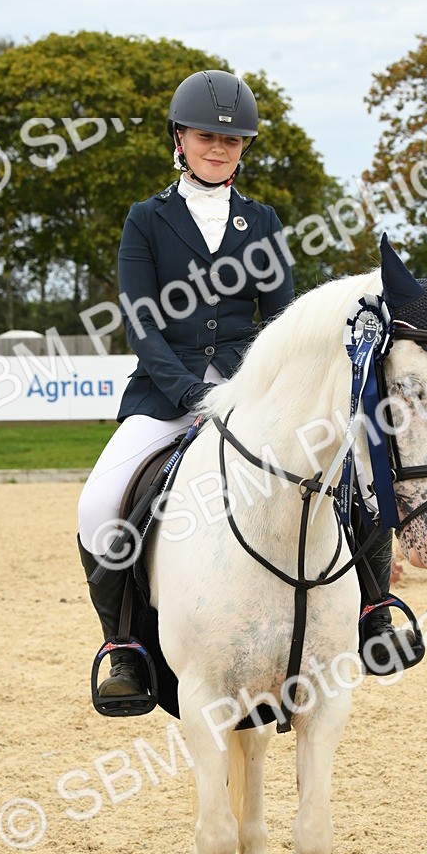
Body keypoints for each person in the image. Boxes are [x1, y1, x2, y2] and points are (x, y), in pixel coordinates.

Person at [77, 69, 295, 698]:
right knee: (98, 504)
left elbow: (281, 320)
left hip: (251, 392)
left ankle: (371, 609)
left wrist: (253, 388)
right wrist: (191, 396)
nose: (219, 148)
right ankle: (124, 648)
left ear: (243, 147)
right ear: (180, 138)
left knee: (343, 476)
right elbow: (141, 322)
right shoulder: (146, 219)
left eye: (231, 140)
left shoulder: (264, 221)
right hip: (164, 393)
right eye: (206, 136)